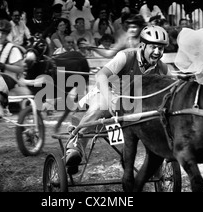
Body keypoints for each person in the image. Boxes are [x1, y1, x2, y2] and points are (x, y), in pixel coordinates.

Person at [65, 25, 170, 174]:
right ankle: (74, 147)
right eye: (153, 47)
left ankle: (157, 161)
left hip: (132, 109)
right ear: (142, 45)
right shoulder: (126, 56)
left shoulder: (162, 68)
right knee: (101, 104)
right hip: (107, 96)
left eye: (161, 48)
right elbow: (100, 76)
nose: (157, 52)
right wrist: (112, 99)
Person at [0, 19, 27, 118]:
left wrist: (5, 66)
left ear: (7, 34)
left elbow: (20, 69)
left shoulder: (12, 49)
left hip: (8, 79)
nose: (0, 35)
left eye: (3, 33)